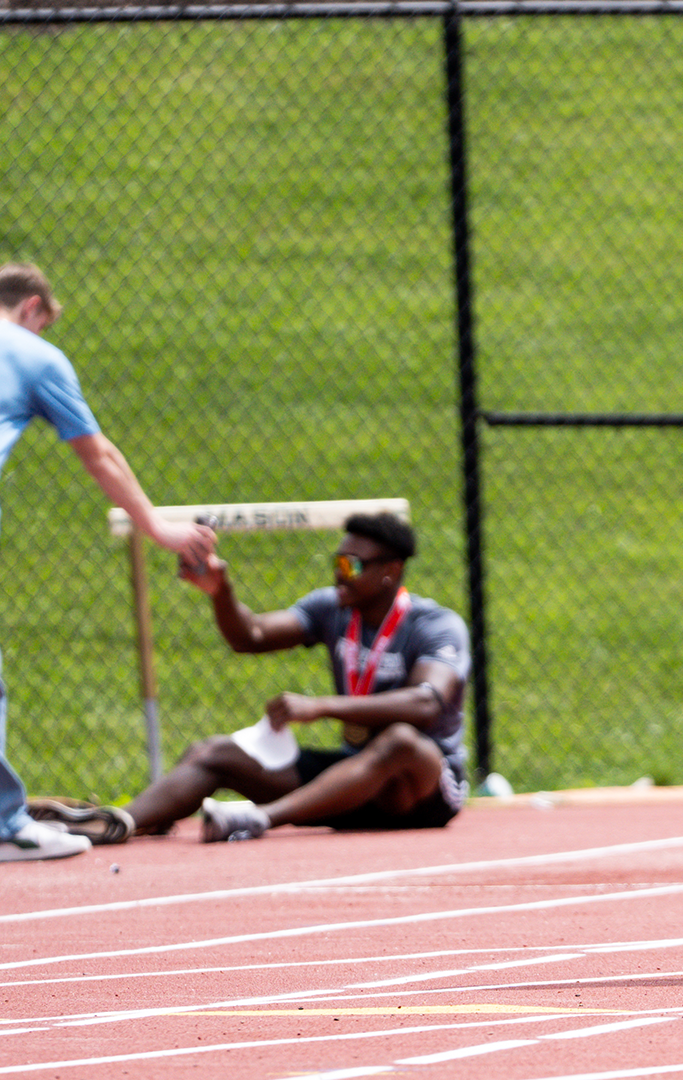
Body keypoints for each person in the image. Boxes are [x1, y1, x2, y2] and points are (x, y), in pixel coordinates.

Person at [62, 512, 472, 844]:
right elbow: (251, 636)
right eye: (338, 562)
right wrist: (220, 592)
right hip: (350, 781)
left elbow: (426, 702)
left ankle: (257, 819)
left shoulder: (435, 625)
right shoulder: (332, 608)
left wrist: (322, 707)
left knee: (400, 740)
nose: (340, 574)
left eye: (353, 564)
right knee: (212, 752)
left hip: (419, 790)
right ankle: (115, 824)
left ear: (391, 571)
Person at [0, 262, 218, 863]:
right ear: (34, 308)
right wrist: (160, 529)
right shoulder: (33, 355)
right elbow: (99, 455)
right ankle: (4, 824)